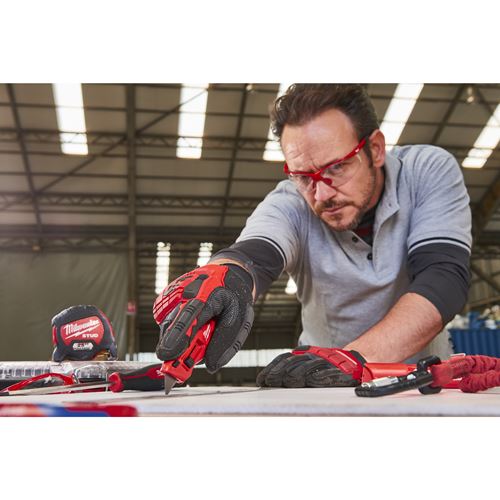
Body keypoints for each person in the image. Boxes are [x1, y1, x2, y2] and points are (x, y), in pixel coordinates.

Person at [153, 84, 471, 388]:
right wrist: (226, 277)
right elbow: (253, 254)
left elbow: (443, 278)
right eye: (303, 177)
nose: (321, 195)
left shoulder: (426, 171)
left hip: (423, 378)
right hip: (322, 382)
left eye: (337, 168)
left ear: (375, 149)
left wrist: (353, 359)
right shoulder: (290, 203)